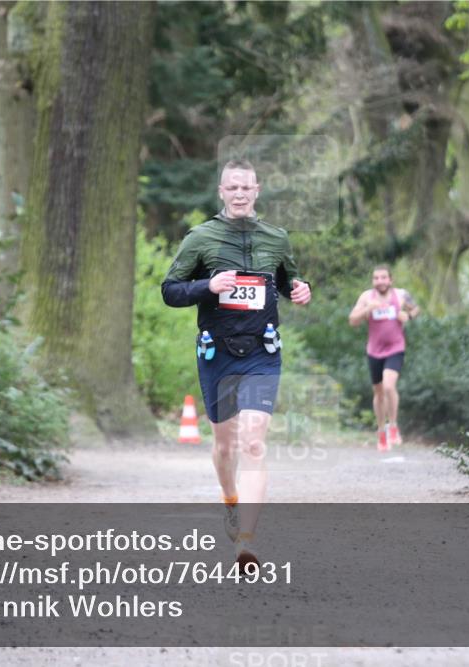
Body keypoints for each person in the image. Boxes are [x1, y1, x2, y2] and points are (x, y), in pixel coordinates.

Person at [161, 159, 311, 567]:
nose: (240, 194)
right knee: (225, 445)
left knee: (254, 440)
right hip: (218, 352)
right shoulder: (201, 238)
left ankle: (246, 539)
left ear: (257, 191)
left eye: (247, 187)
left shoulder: (276, 238)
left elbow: (288, 281)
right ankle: (230, 499)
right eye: (233, 187)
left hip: (263, 352)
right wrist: (207, 285)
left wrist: (300, 290)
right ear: (222, 192)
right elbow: (170, 291)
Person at [348, 265, 420, 451]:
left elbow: (416, 309)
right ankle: (381, 432)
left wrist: (408, 316)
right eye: (376, 278)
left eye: (383, 277)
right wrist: (368, 309)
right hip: (374, 351)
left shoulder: (401, 295)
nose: (380, 281)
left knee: (389, 386)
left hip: (396, 347)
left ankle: (393, 426)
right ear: (373, 281)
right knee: (379, 393)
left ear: (390, 280)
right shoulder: (367, 297)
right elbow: (352, 320)